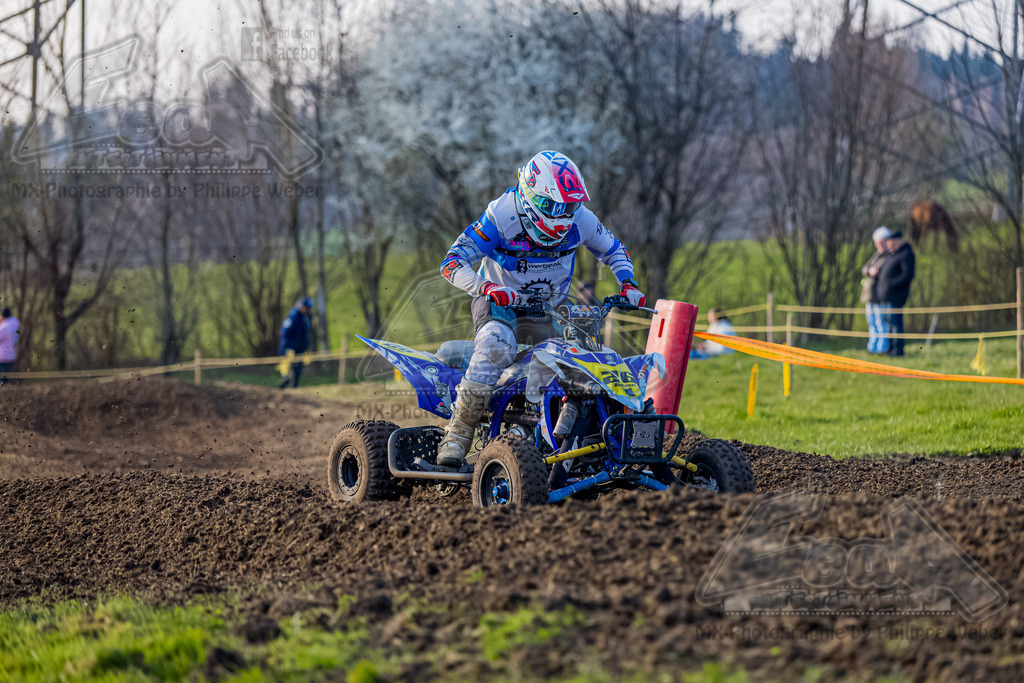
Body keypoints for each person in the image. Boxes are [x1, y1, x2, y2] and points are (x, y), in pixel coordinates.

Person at [437, 150, 645, 468]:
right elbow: (452, 263)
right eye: (555, 206)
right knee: (496, 344)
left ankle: (581, 431)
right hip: (498, 302)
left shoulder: (582, 219)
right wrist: (486, 287)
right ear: (531, 196)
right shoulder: (502, 215)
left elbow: (614, 250)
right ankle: (458, 433)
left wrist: (627, 283)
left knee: (585, 355)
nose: (564, 216)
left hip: (550, 306)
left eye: (571, 206)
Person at [876, 230, 916, 357]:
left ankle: (898, 350)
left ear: (897, 241)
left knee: (895, 324)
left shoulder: (906, 254)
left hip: (896, 296)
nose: (887, 244)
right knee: (887, 324)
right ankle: (890, 348)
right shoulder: (891, 255)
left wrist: (891, 284)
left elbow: (907, 275)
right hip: (885, 296)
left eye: (889, 241)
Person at [861, 226, 893, 354]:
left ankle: (882, 348)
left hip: (880, 295)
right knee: (872, 322)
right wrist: (870, 271)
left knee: (881, 323)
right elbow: (864, 268)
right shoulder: (876, 255)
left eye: (882, 242)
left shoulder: (889, 256)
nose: (879, 245)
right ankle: (872, 347)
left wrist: (877, 273)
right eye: (877, 242)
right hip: (870, 295)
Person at [278, 297, 313, 388]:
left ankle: (293, 388)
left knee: (299, 370)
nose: (309, 310)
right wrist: (289, 348)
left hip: (300, 349)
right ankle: (285, 387)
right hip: (291, 349)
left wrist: (306, 346)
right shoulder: (293, 317)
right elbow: (285, 334)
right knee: (291, 370)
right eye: (307, 307)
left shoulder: (306, 317)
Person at [0, 307, 20, 384]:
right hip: (10, 355)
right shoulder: (14, 324)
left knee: (3, 382)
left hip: (2, 357)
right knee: (6, 381)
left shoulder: (5, 328)